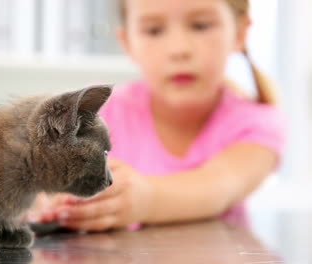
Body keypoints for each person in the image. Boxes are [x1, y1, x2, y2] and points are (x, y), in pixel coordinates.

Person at [27, 0, 286, 232]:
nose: (178, 49)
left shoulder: (258, 124)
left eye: (201, 25)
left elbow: (220, 187)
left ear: (240, 32)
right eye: (154, 30)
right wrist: (45, 197)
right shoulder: (96, 112)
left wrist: (144, 198)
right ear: (127, 43)